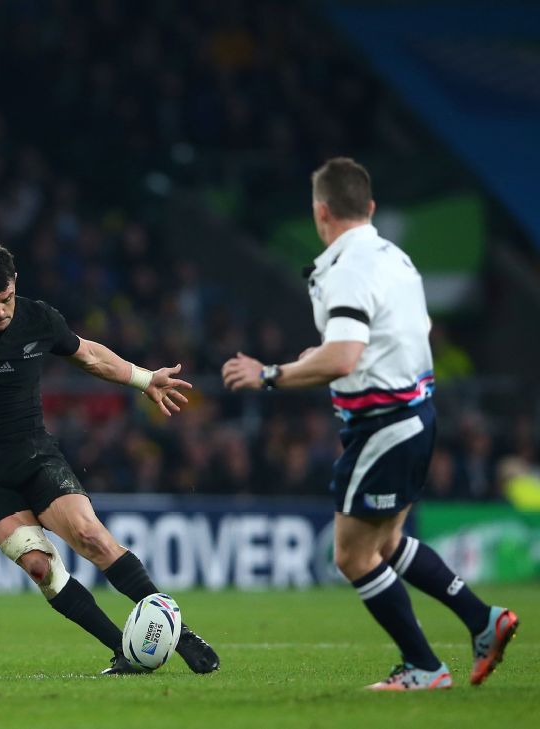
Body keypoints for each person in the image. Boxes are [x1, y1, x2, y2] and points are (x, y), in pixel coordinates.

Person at [222, 157, 518, 690]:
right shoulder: (396, 259)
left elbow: (342, 358)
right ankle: (483, 619)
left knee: (351, 555)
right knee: (386, 544)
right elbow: (388, 336)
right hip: (415, 416)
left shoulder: (347, 267)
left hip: (385, 425)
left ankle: (424, 667)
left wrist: (270, 374)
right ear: (371, 208)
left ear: (320, 212)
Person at [0, 243, 220, 675]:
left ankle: (181, 633)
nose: (0, 312)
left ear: (15, 286)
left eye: (6, 300)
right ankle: (124, 651)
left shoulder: (39, 318)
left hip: (37, 457)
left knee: (91, 537)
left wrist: (145, 378)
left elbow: (90, 355)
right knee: (40, 567)